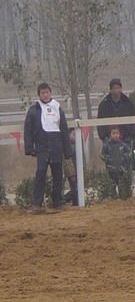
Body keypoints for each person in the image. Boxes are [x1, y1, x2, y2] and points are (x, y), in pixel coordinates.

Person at [23, 83, 72, 213]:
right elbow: (28, 130)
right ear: (39, 95)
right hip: (42, 146)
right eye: (42, 93)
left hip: (56, 146)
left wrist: (67, 150)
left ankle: (58, 202)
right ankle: (36, 204)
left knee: (57, 175)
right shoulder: (33, 111)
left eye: (47, 92)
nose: (45, 95)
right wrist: (29, 148)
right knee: (40, 173)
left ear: (51, 93)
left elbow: (64, 130)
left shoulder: (58, 108)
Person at [97, 78, 135, 146]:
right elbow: (100, 122)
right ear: (110, 90)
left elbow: (133, 120)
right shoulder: (104, 104)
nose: (116, 90)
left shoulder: (128, 103)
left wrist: (131, 135)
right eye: (114, 88)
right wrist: (104, 137)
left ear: (121, 89)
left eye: (118, 88)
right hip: (109, 140)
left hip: (125, 138)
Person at [100, 126, 132, 199]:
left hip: (121, 169)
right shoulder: (106, 145)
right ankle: (113, 197)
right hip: (110, 169)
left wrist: (124, 159)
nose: (115, 135)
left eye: (117, 133)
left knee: (121, 184)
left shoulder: (123, 145)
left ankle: (123, 197)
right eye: (113, 133)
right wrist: (108, 159)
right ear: (110, 134)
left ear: (119, 134)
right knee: (112, 184)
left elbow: (129, 153)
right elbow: (102, 155)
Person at [62, 127, 78, 206]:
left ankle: (66, 199)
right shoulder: (68, 147)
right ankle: (74, 202)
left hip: (76, 170)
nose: (76, 137)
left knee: (75, 187)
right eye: (74, 135)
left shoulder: (76, 145)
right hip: (71, 171)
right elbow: (68, 161)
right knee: (74, 187)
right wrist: (71, 173)